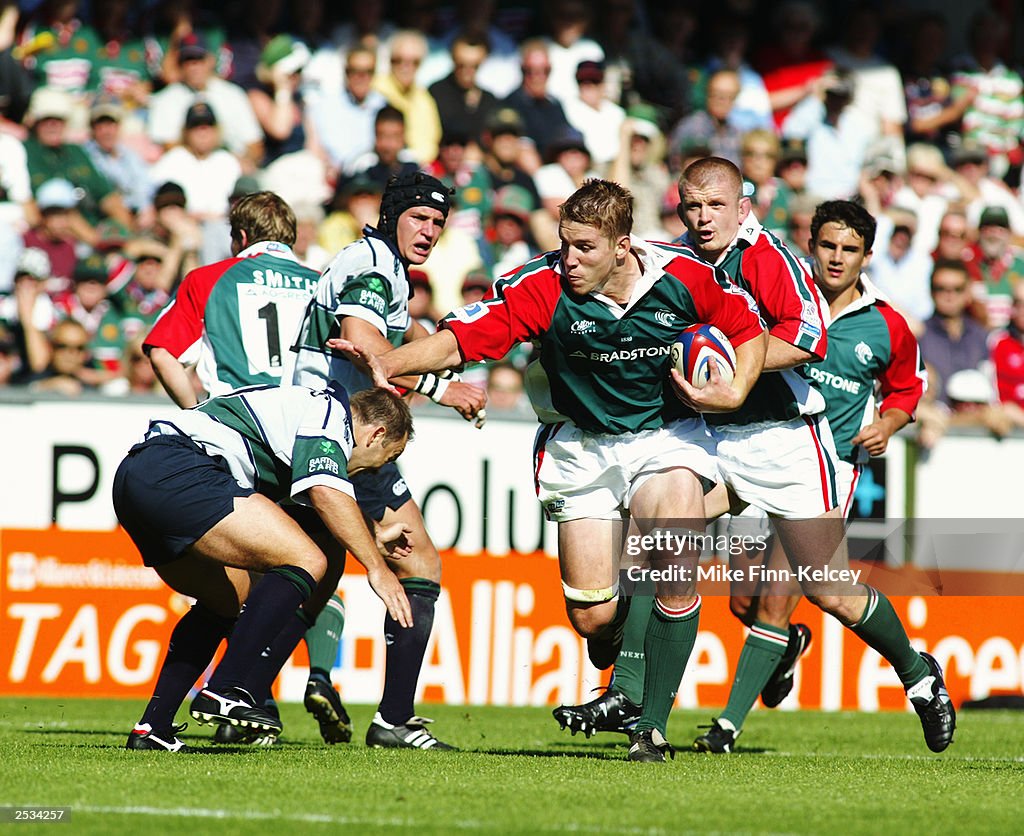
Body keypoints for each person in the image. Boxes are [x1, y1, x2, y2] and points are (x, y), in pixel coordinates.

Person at [329, 178, 768, 762]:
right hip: (580, 446)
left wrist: (735, 391)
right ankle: (624, 659)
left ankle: (649, 726)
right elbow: (459, 340)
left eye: (585, 247)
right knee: (593, 617)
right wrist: (388, 361)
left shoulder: (685, 278)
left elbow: (750, 330)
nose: (571, 259)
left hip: (666, 439)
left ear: (622, 245)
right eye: (565, 244)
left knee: (671, 549)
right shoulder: (543, 287)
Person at [553, 160, 955, 757]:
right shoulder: (668, 261)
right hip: (710, 435)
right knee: (658, 534)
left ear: (743, 207)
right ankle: (636, 704)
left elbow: (806, 337)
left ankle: (919, 674)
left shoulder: (769, 258)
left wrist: (728, 363)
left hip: (783, 440)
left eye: (715, 206)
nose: (702, 218)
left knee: (828, 589)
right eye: (692, 206)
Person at [144, 191, 354, 745]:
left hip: (235, 438)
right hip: (305, 440)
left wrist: (195, 412)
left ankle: (239, 699)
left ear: (239, 237)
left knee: (241, 586)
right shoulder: (321, 281)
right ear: (292, 236)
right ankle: (274, 688)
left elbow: (162, 350)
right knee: (307, 572)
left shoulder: (211, 278)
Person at [290, 170, 487, 751]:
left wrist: (446, 349)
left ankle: (241, 692)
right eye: (419, 218)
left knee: (313, 568)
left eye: (438, 224)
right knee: (403, 564)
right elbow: (367, 341)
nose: (429, 232)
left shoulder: (384, 266)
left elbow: (404, 334)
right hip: (339, 435)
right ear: (391, 214)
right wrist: (443, 386)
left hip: (339, 432)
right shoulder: (375, 265)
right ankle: (391, 719)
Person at [117, 384, 414, 752]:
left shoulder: (301, 420)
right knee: (306, 559)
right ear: (376, 434)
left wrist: (374, 532)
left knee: (226, 599)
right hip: (182, 470)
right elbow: (325, 492)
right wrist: (377, 568)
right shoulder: (328, 411)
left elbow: (319, 501)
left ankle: (153, 729)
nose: (379, 468)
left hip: (138, 477)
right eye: (389, 456)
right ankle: (227, 689)